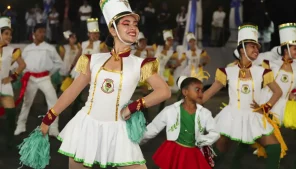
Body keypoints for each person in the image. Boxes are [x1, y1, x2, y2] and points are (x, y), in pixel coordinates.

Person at [39, 0, 171, 168]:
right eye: (126, 23)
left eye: (135, 24)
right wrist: (48, 119)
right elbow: (72, 91)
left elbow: (163, 91)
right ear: (112, 29)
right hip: (86, 126)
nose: (133, 28)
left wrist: (133, 107)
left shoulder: (141, 63)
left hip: (119, 131)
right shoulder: (92, 59)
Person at [203, 23, 287, 169]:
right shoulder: (227, 71)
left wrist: (265, 107)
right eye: (252, 46)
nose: (257, 49)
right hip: (231, 115)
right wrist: (190, 104)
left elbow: (278, 92)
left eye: (257, 47)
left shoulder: (262, 71)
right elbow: (209, 93)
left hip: (253, 116)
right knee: (219, 152)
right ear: (242, 49)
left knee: (274, 148)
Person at [141, 76, 219, 169]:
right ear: (185, 92)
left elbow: (215, 133)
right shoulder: (170, 111)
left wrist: (201, 140)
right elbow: (153, 128)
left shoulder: (205, 113)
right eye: (197, 90)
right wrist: (137, 140)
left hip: (193, 152)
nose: (201, 93)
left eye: (202, 90)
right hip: (173, 151)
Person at [259, 23, 296, 169]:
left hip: (282, 109)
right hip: (266, 107)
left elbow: (292, 88)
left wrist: (293, 96)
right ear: (286, 49)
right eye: (295, 48)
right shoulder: (272, 64)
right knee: (269, 144)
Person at [14, 23, 63, 137]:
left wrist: (49, 73)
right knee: (27, 102)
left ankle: (53, 128)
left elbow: (58, 63)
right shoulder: (28, 49)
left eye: (43, 32)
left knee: (53, 102)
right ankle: (20, 126)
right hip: (30, 78)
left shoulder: (49, 48)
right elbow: (22, 63)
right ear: (34, 34)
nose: (42, 34)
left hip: (44, 78)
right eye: (40, 31)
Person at [0, 17, 26, 148]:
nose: (9, 37)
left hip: (5, 86)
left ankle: (9, 141)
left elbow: (22, 65)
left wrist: (12, 77)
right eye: (6, 33)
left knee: (11, 114)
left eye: (10, 34)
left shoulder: (12, 51)